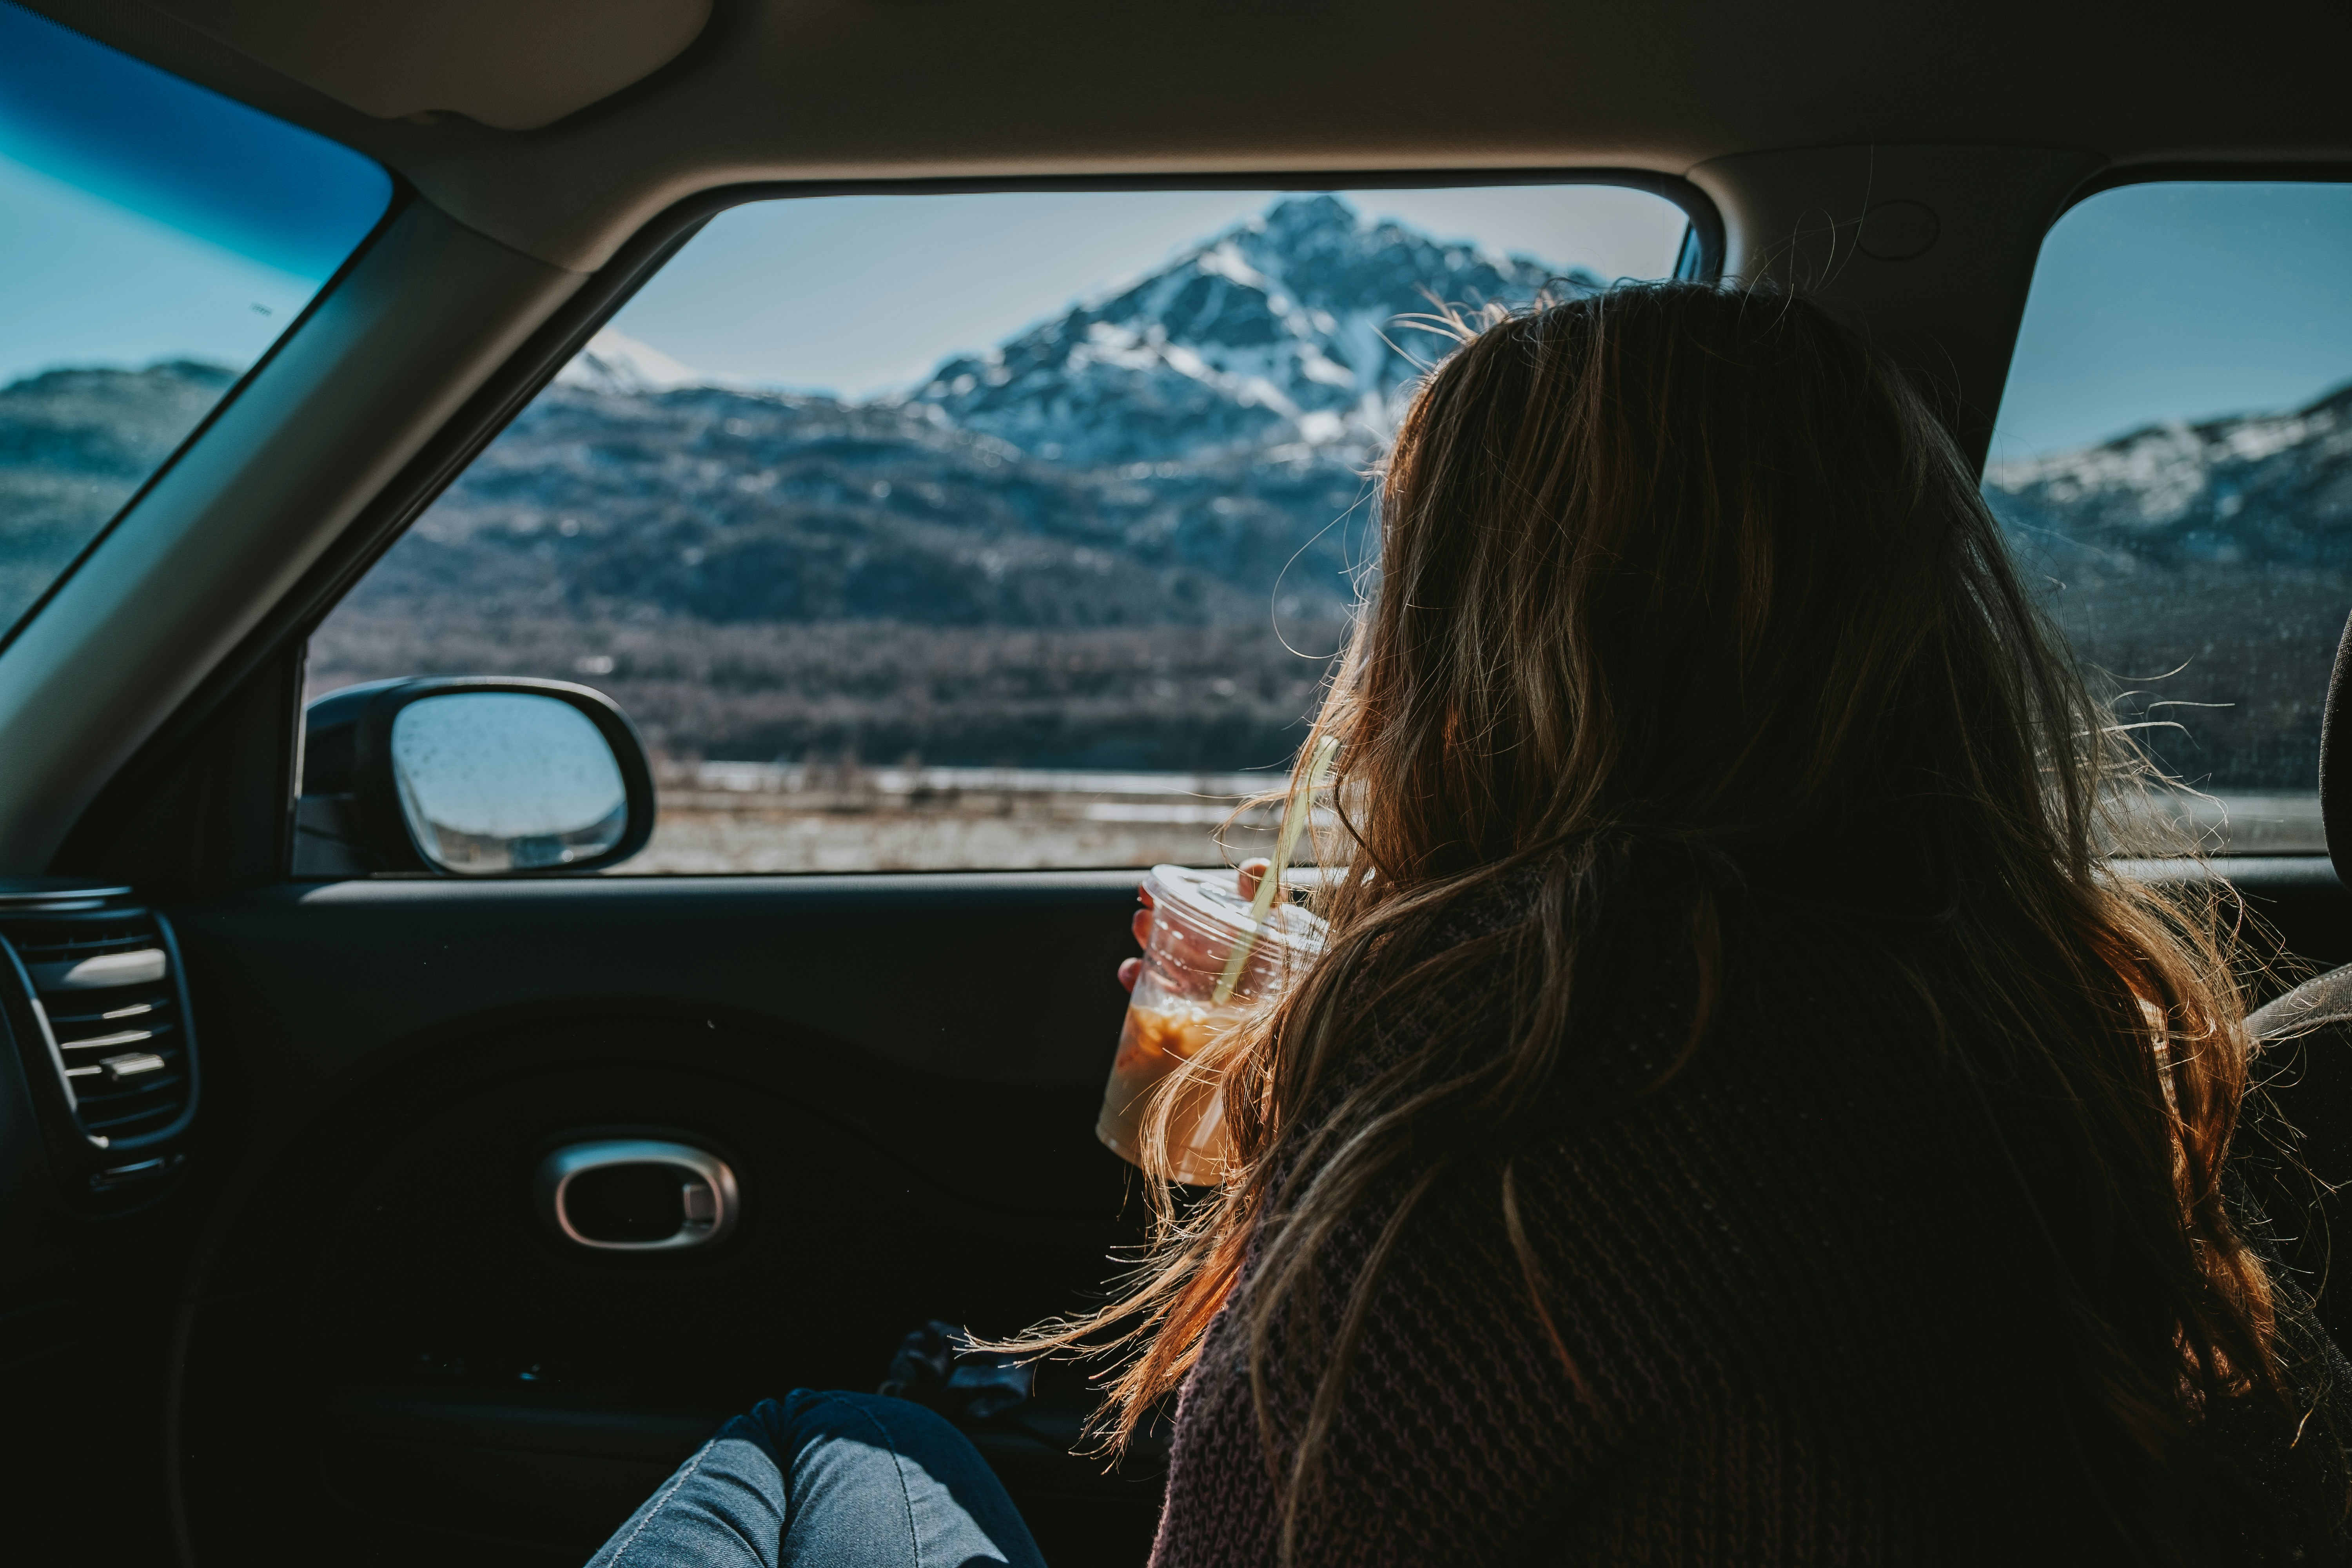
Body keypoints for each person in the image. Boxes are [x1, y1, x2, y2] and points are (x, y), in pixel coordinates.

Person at [584, 283, 2352, 1566]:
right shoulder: (2034, 1008)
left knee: (816, 1452)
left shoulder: (1533, 1046)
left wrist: (1344, 1126)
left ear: (1484, 637)